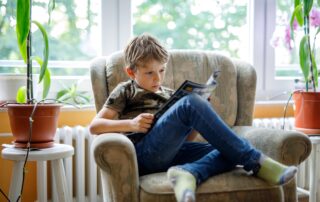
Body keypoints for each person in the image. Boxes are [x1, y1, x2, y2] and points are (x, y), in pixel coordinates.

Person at [89, 33, 297, 202]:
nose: (157, 78)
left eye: (161, 70)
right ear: (131, 72)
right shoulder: (125, 90)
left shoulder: (169, 94)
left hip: (174, 153)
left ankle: (189, 173)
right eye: (149, 73)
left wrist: (198, 116)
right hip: (144, 153)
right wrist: (131, 123)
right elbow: (95, 126)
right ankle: (256, 161)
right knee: (190, 103)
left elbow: (186, 139)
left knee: (231, 148)